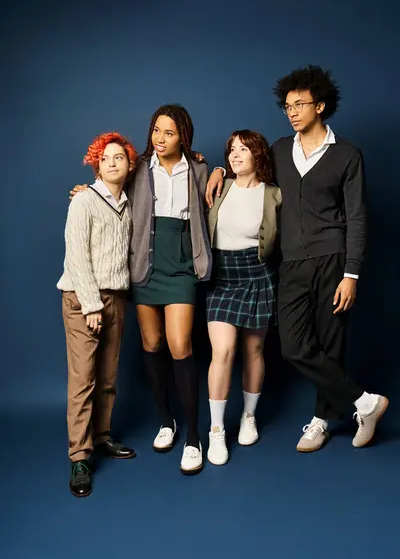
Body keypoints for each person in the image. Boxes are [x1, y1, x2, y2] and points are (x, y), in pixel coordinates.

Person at [206, 65, 389, 452]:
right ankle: (364, 402)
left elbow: (356, 216)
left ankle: (321, 421)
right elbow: (247, 162)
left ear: (320, 106)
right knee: (292, 346)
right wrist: (218, 169)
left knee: (331, 341)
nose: (291, 111)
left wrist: (351, 274)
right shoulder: (276, 150)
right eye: (287, 105)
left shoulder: (346, 155)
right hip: (291, 263)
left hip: (333, 259)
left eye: (300, 104)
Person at [70, 105, 211, 475]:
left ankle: (194, 437)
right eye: (156, 131)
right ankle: (167, 421)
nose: (160, 139)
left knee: (181, 343)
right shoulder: (138, 170)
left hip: (181, 263)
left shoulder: (199, 169)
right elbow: (109, 186)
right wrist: (86, 190)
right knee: (152, 344)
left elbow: (216, 196)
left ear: (183, 137)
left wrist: (221, 170)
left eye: (169, 133)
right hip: (144, 264)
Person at [57, 132, 137, 498]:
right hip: (82, 298)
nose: (112, 162)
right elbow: (76, 255)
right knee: (83, 379)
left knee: (108, 374)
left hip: (115, 297)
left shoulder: (129, 204)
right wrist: (90, 305)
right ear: (96, 164)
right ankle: (80, 456)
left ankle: (102, 437)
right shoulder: (84, 201)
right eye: (105, 158)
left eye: (119, 157)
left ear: (129, 164)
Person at [206, 130, 281, 466]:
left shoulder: (274, 193)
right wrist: (215, 171)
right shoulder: (218, 186)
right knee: (222, 350)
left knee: (254, 349)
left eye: (243, 149)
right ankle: (216, 430)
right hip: (222, 275)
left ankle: (248, 416)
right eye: (231, 150)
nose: (235, 155)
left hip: (257, 272)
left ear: (258, 155)